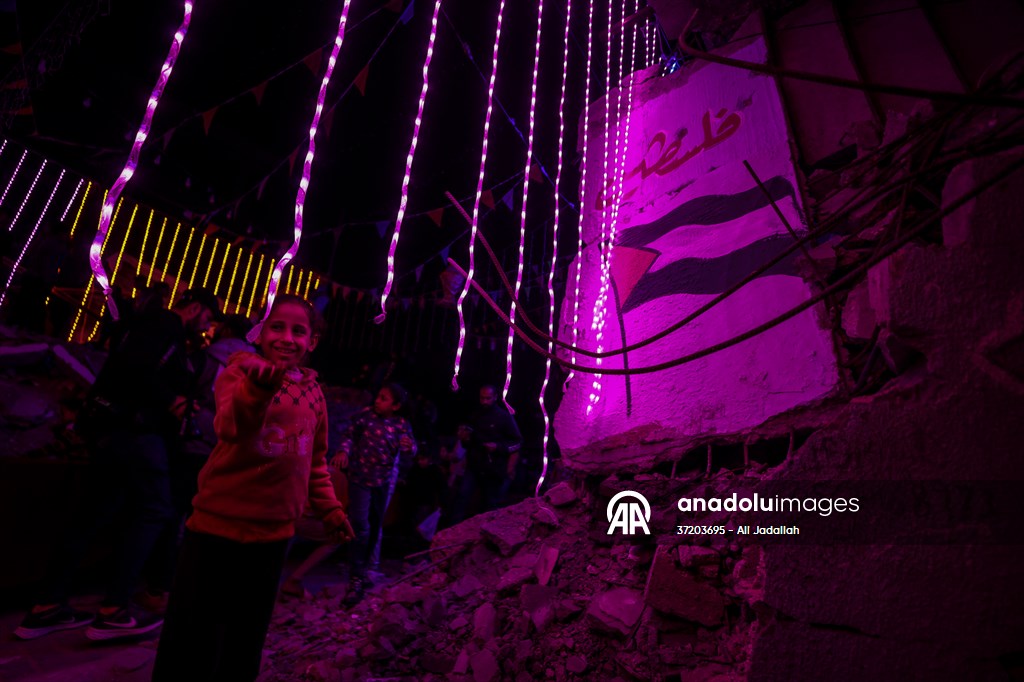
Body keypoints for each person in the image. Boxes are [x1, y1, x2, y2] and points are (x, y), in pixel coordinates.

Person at [151, 294, 353, 682]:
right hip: (216, 530)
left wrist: (330, 508)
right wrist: (257, 393)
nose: (287, 338)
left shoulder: (314, 393)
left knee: (245, 635)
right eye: (277, 327)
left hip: (274, 536)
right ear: (260, 332)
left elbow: (314, 462)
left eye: (299, 331)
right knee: (194, 634)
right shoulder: (240, 372)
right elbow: (230, 427)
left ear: (312, 342)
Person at [15, 288, 221, 641]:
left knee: (93, 513)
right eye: (208, 319)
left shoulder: (145, 324)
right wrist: (173, 400)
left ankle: (47, 606)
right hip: (134, 430)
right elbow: (136, 368)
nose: (207, 328)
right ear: (197, 309)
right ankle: (114, 611)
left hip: (110, 429)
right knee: (156, 509)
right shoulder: (165, 325)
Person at [331, 382, 416, 606]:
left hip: (382, 482)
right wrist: (343, 451)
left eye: (384, 398)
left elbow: (411, 448)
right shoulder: (365, 416)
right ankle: (356, 575)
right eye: (378, 396)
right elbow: (349, 435)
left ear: (396, 406)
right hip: (359, 479)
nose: (378, 401)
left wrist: (409, 446)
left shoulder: (401, 425)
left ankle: (364, 570)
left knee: (375, 525)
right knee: (360, 525)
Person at [453, 385, 522, 521]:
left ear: (495, 397)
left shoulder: (504, 417)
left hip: (493, 468)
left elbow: (517, 442)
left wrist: (498, 447)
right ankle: (454, 527)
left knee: (489, 503)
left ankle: (485, 530)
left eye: (488, 398)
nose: (484, 401)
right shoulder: (475, 415)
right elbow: (469, 441)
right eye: (482, 398)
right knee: (462, 496)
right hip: (474, 465)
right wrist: (465, 438)